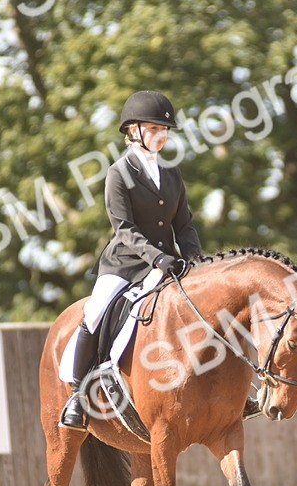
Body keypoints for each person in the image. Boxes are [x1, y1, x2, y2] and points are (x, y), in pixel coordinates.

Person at [60, 90, 261, 430]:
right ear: (133, 130)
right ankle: (78, 397)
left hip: (168, 263)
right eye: (154, 129)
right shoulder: (118, 174)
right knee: (94, 314)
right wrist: (158, 259)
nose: (162, 135)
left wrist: (198, 265)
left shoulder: (171, 173)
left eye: (165, 130)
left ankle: (236, 392)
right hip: (125, 264)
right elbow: (124, 229)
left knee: (210, 307)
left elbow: (183, 224)